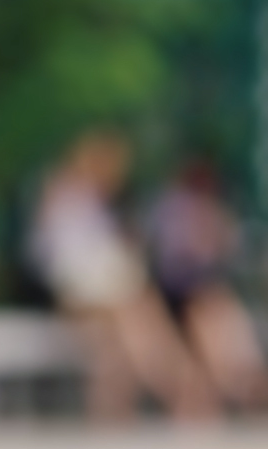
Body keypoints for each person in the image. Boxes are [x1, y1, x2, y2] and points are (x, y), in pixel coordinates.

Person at [30, 129, 216, 423]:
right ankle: (184, 391)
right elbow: (60, 262)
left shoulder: (90, 202)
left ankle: (121, 411)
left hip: (101, 295)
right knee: (138, 321)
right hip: (78, 294)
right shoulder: (65, 197)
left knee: (120, 343)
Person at [146, 160, 268, 413]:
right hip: (177, 294)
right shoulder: (174, 209)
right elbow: (176, 261)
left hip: (200, 292)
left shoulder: (208, 210)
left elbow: (222, 250)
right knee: (212, 316)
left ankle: (245, 380)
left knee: (220, 315)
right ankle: (245, 384)